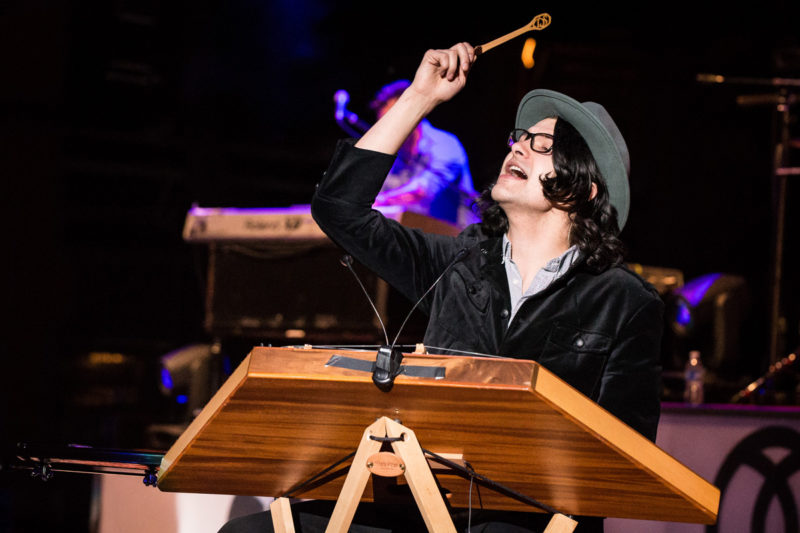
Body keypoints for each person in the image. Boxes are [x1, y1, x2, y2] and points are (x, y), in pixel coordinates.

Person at [220, 42, 662, 533]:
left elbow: (624, 457)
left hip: (528, 517)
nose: (516, 146)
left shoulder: (625, 302)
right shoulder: (457, 262)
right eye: (519, 137)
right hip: (421, 505)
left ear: (583, 186)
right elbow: (339, 210)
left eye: (541, 144)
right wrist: (418, 98)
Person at [369, 79, 479, 227]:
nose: (388, 128)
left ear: (414, 115)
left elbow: (423, 191)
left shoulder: (445, 144)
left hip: (458, 242)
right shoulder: (394, 154)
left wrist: (382, 200)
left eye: (392, 120)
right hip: (418, 239)